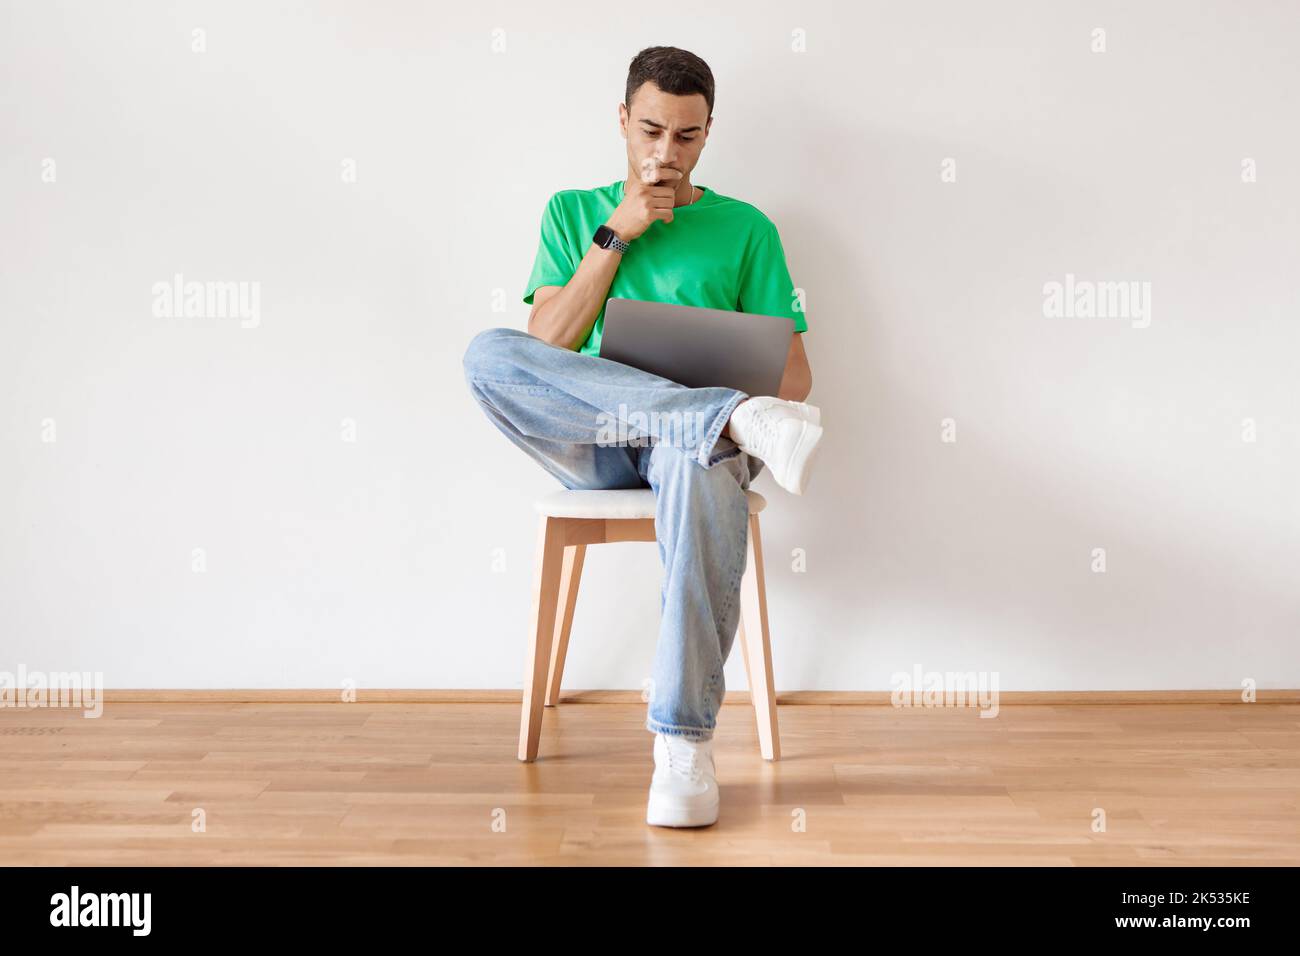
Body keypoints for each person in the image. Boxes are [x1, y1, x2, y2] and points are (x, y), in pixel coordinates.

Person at [462, 46, 824, 828]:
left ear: (708, 134)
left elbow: (794, 380)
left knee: (698, 464)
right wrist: (616, 235)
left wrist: (717, 361)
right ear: (623, 120)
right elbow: (548, 344)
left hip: (685, 457)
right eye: (651, 130)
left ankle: (682, 747)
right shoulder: (571, 211)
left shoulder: (746, 228)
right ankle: (717, 412)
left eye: (685, 138)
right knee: (488, 354)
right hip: (591, 441)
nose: (665, 153)